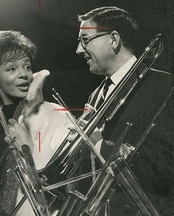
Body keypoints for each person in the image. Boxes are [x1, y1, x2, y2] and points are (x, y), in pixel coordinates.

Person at [70, 6, 174, 215]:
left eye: (85, 40)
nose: (78, 50)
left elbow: (165, 168)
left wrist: (99, 145)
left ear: (114, 39)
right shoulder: (95, 96)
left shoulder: (163, 86)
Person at [0, 30, 71, 215]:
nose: (24, 75)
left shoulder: (55, 115)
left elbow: (64, 190)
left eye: (27, 67)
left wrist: (29, 151)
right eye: (12, 69)